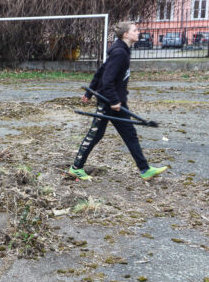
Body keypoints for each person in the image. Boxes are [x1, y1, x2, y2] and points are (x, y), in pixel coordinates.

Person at [68, 22, 167, 181]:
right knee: (95, 135)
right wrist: (112, 101)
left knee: (129, 134)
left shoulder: (122, 50)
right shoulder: (120, 52)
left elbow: (101, 70)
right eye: (135, 30)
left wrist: (89, 92)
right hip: (109, 102)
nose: (138, 32)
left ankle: (145, 169)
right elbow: (107, 79)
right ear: (126, 35)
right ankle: (76, 168)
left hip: (116, 101)